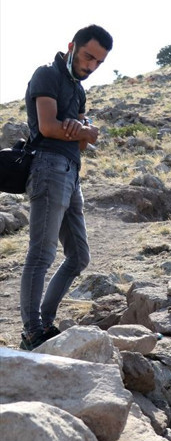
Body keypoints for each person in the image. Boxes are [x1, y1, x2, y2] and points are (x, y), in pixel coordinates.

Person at [19, 25, 113, 351]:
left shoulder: (79, 90)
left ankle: (45, 321)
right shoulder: (47, 74)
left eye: (98, 62)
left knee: (79, 256)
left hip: (72, 173)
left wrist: (83, 130)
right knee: (42, 254)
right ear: (72, 46)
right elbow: (47, 127)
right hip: (47, 166)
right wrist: (81, 130)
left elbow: (84, 142)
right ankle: (32, 331)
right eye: (88, 56)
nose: (91, 66)